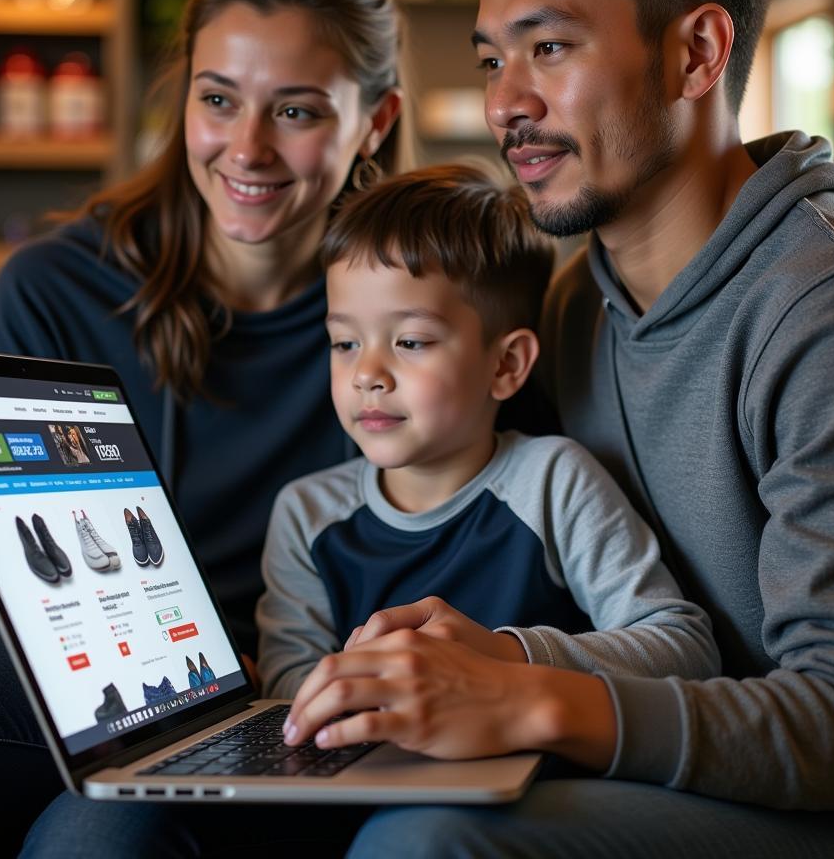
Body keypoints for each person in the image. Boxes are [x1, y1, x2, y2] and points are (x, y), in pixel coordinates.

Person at [281, 0, 834, 856]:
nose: (507, 101)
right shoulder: (569, 308)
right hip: (660, 763)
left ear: (695, 53)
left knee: (427, 843)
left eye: (548, 48)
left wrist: (529, 698)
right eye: (492, 59)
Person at [0, 0, 404, 853]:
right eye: (218, 99)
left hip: (317, 701)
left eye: (298, 112)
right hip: (120, 680)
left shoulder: (425, 313)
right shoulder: (58, 286)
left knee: (95, 838)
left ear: (375, 123)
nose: (248, 149)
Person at [257, 165, 719, 712]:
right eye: (344, 344)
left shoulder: (552, 483)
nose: (367, 374)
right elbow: (289, 686)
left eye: (409, 340)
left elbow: (683, 647)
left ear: (506, 364)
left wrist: (507, 656)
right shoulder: (306, 515)